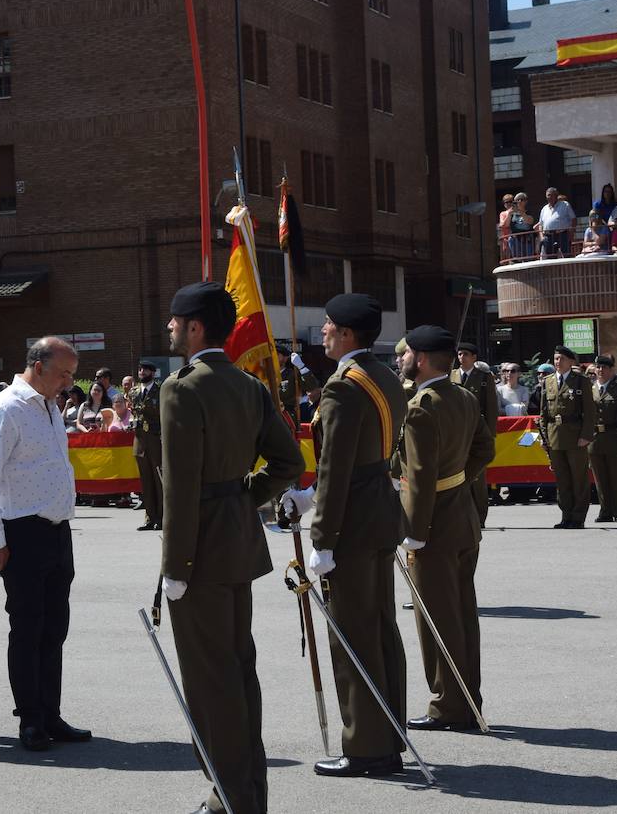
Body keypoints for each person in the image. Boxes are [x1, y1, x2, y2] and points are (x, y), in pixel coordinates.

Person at [159, 281, 303, 814]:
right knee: (239, 670)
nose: (169, 328)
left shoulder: (182, 388)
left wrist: (175, 567)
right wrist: (245, 498)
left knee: (210, 680)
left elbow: (180, 488)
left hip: (199, 554)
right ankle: (247, 794)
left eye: (175, 321)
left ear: (195, 326)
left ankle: (233, 797)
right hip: (237, 544)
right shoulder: (247, 385)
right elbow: (287, 464)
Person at [283, 293, 409, 778]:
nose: (324, 334)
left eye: (330, 326)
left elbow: (335, 468)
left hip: (352, 523)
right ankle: (389, 732)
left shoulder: (343, 387)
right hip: (378, 510)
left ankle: (366, 747)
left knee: (352, 636)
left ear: (349, 335)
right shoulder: (381, 375)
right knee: (379, 628)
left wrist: (322, 537)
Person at [0, 336, 92, 752]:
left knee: (55, 628)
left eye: (72, 375)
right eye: (64, 374)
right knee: (28, 627)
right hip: (22, 532)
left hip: (57, 532)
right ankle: (30, 719)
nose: (69, 383)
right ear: (38, 366)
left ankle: (51, 713)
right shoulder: (6, 408)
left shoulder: (49, 406)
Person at [399, 324, 494, 731]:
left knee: (436, 617)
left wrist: (414, 531)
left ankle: (449, 704)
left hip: (433, 524)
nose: (401, 360)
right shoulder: (464, 397)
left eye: (406, 354)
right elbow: (484, 449)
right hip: (462, 516)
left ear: (420, 359)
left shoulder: (423, 405)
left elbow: (419, 477)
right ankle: (467, 695)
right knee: (461, 612)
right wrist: (457, 479)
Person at [539, 346, 596, 528]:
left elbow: (590, 411)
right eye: (556, 359)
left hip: (575, 435)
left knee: (578, 478)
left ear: (571, 362)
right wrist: (544, 437)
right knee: (562, 479)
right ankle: (566, 515)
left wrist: (586, 435)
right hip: (555, 435)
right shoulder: (548, 381)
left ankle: (578, 517)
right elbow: (543, 413)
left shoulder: (580, 381)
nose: (558, 362)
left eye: (562, 359)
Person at [452, 343, 498, 527]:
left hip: (476, 433)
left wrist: (489, 434)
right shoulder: (451, 375)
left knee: (477, 478)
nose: (461, 357)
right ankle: (462, 516)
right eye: (460, 354)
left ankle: (479, 517)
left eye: (465, 354)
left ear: (474, 357)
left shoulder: (484, 377)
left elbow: (491, 408)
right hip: (456, 434)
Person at [588, 356, 617, 522]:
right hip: (595, 439)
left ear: (611, 369)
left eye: (604, 367)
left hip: (615, 437)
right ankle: (605, 510)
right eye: (598, 367)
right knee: (600, 478)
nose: (600, 370)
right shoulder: (590, 389)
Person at [132, 360, 164, 531]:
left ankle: (162, 517)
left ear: (153, 372)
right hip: (139, 440)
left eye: (145, 369)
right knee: (146, 481)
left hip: (155, 438)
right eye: (140, 369)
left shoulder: (161, 390)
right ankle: (149, 517)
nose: (142, 372)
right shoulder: (134, 391)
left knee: (158, 479)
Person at [537, 187, 575, 258]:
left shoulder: (565, 205)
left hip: (562, 235)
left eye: (551, 195)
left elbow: (573, 219)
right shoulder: (544, 209)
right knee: (551, 258)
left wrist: (571, 233)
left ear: (556, 195)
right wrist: (542, 237)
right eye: (548, 195)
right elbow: (540, 225)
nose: (549, 197)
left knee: (567, 256)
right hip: (548, 236)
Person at [503, 192, 536, 260]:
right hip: (515, 240)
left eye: (521, 200)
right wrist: (509, 214)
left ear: (526, 201)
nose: (518, 202)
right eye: (516, 201)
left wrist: (521, 212)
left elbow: (530, 222)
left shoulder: (529, 212)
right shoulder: (511, 213)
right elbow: (505, 225)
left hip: (527, 240)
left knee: (529, 260)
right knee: (517, 260)